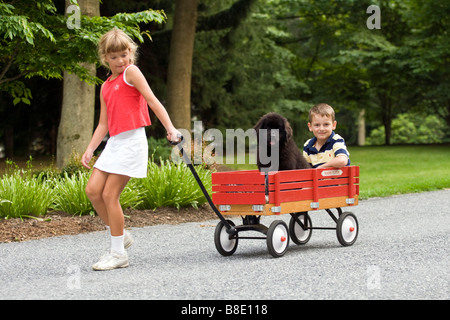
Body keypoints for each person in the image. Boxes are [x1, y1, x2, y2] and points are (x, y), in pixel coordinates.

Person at [81, 28, 181, 271]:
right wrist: (90, 149)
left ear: (130, 53)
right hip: (115, 142)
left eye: (124, 55)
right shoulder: (105, 86)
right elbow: (103, 123)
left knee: (109, 195)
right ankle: (121, 234)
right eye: (114, 57)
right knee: (93, 191)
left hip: (133, 141)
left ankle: (118, 254)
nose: (120, 61)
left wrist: (170, 128)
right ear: (105, 58)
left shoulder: (131, 72)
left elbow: (152, 100)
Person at [303, 103, 350, 169]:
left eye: (326, 124)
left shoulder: (336, 140)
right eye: (317, 125)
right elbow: (306, 168)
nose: (321, 129)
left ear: (334, 125)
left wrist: (321, 168)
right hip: (317, 179)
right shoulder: (308, 145)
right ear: (310, 126)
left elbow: (342, 160)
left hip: (338, 178)